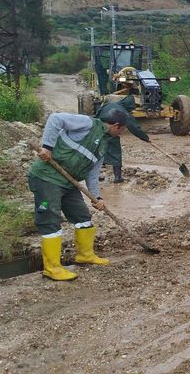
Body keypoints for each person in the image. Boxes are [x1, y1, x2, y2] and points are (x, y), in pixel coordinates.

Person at [27, 110, 127, 281]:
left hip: (69, 182)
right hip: (46, 177)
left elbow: (93, 175)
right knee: (50, 218)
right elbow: (55, 118)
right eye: (121, 130)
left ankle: (85, 255)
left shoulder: (102, 146)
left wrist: (97, 198)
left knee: (82, 216)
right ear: (116, 125)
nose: (121, 133)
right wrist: (47, 147)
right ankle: (52, 268)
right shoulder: (87, 124)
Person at [95, 96, 150, 183]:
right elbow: (135, 128)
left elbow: (97, 114)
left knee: (97, 152)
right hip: (111, 131)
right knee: (115, 152)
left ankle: (95, 176)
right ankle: (118, 177)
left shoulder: (108, 104)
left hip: (99, 130)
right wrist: (145, 138)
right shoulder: (124, 112)